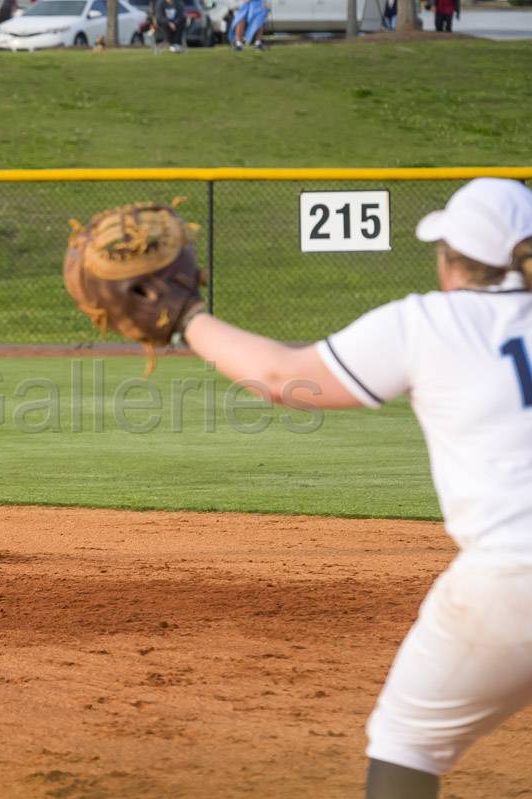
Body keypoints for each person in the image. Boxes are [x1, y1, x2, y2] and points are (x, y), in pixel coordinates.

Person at [178, 178, 532, 798]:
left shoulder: (430, 321)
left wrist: (186, 319)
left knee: (407, 744)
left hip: (513, 578)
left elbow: (284, 378)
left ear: (451, 260)